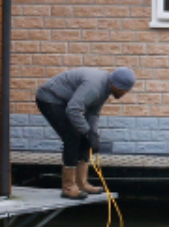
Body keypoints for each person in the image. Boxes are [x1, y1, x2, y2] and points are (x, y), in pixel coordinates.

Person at [35, 67, 135, 200]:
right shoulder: (94, 87)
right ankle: (68, 187)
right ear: (115, 85)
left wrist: (92, 134)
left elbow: (93, 113)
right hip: (49, 98)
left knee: (84, 137)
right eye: (123, 90)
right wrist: (87, 132)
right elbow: (73, 109)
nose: (124, 93)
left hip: (65, 101)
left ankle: (82, 183)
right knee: (72, 138)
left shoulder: (106, 88)